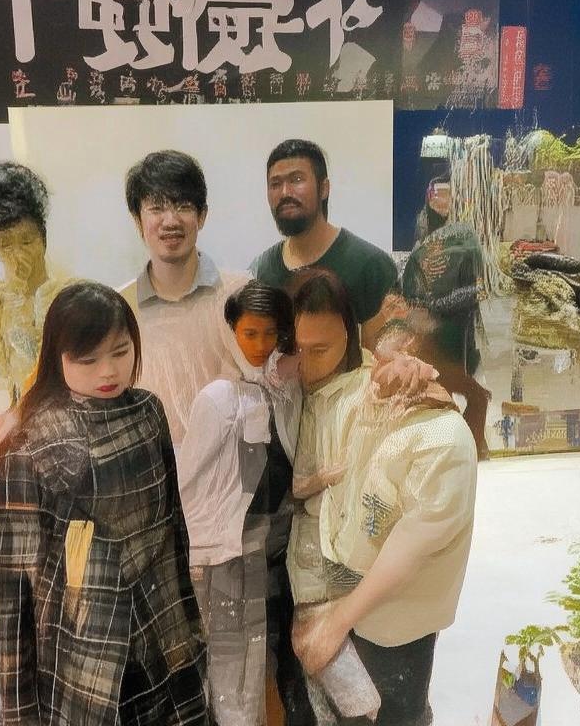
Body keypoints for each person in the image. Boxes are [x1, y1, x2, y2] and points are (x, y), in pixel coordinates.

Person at [0, 281, 208, 726]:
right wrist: (18, 711)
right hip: (83, 650)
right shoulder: (27, 445)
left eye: (120, 352)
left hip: (162, 631)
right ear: (57, 357)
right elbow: (13, 587)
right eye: (87, 360)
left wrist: (190, 624)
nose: (108, 371)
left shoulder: (148, 412)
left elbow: (174, 532)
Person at [286, 269, 477, 726]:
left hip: (393, 619)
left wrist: (335, 621)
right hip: (334, 588)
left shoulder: (437, 438)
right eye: (298, 349)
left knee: (394, 709)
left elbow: (408, 552)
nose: (307, 364)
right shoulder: (338, 394)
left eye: (321, 350)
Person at [178, 281, 303, 726]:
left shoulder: (285, 388)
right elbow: (188, 479)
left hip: (277, 549)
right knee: (230, 668)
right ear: (232, 331)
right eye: (250, 333)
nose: (260, 345)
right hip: (228, 555)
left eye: (270, 333)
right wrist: (196, 553)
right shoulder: (218, 398)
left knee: (267, 659)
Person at [117, 149, 249, 447]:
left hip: (228, 466)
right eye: (156, 208)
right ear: (138, 220)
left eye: (183, 206)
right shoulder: (119, 308)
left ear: (202, 216)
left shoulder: (239, 294)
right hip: (150, 467)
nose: (170, 221)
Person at [252, 139, 399, 350]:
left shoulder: (371, 267)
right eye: (275, 184)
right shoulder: (261, 271)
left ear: (324, 188)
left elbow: (384, 361)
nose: (285, 192)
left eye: (297, 179)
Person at [0, 161, 70, 403]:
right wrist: (14, 305)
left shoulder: (68, 295)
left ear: (43, 238)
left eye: (26, 241)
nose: (18, 254)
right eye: (5, 244)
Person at [401, 220, 491, 459]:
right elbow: (418, 317)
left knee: (470, 399)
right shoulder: (426, 261)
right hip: (435, 354)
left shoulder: (454, 255)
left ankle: (467, 450)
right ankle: (467, 451)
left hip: (448, 351)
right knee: (473, 398)